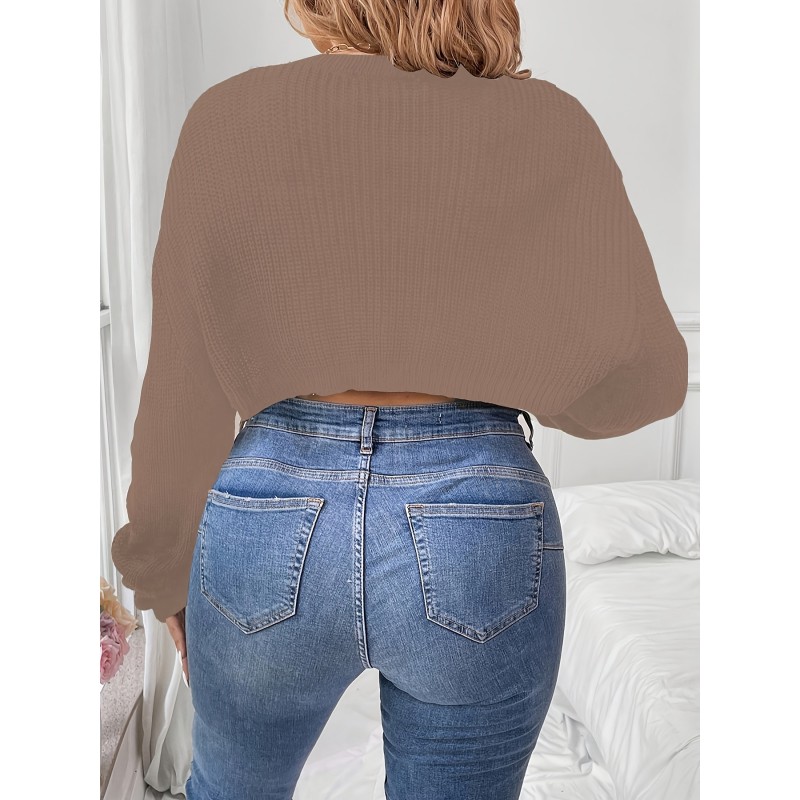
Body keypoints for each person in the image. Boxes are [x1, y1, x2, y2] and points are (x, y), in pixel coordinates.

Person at [112, 2, 688, 798]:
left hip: (266, 514)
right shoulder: (550, 123)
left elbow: (183, 379)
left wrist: (165, 569)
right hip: (476, 515)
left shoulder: (227, 116)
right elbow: (649, 379)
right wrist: (507, 379)